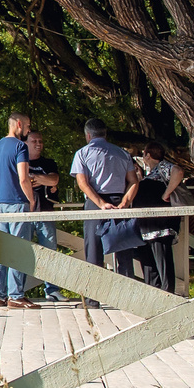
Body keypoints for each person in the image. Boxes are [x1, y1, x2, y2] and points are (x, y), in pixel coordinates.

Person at [70, 121, 142, 294]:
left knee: (93, 250)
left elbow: (83, 183)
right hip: (119, 200)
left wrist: (101, 203)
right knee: (123, 248)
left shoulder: (82, 153)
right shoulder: (122, 153)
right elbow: (133, 181)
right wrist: (124, 202)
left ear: (88, 135)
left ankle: (94, 296)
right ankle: (127, 295)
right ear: (105, 134)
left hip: (95, 201)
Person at [125, 139, 192, 293]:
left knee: (163, 259)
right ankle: (154, 293)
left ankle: (168, 293)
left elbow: (178, 172)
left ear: (148, 155)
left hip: (160, 224)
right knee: (148, 261)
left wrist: (166, 193)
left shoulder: (162, 167)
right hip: (145, 225)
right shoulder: (147, 173)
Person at [0, 111, 36, 308]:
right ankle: (16, 295)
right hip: (17, 201)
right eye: (28, 125)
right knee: (18, 249)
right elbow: (24, 177)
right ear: (19, 124)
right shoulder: (20, 146)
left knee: (2, 250)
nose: (29, 129)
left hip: (0, 203)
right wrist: (31, 200)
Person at [24, 129, 64, 300]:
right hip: (23, 213)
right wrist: (41, 179)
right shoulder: (20, 161)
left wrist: (33, 178)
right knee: (20, 252)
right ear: (25, 143)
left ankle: (52, 290)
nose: (38, 144)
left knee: (50, 252)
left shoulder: (48, 163)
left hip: (45, 211)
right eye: (34, 141)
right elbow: (20, 181)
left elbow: (54, 180)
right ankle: (17, 292)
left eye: (40, 141)